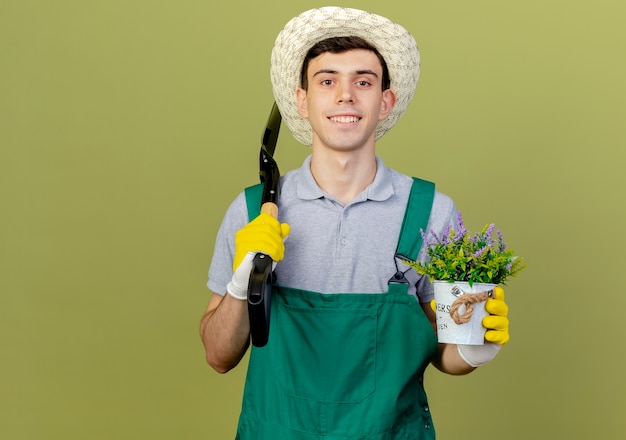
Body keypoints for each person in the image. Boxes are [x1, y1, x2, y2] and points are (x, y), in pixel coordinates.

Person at [200, 7, 510, 439]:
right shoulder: (253, 211)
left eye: (363, 81)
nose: (345, 95)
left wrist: (477, 347)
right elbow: (219, 355)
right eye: (327, 81)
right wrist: (241, 283)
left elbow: (446, 355)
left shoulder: (431, 213)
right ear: (302, 100)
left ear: (386, 100)